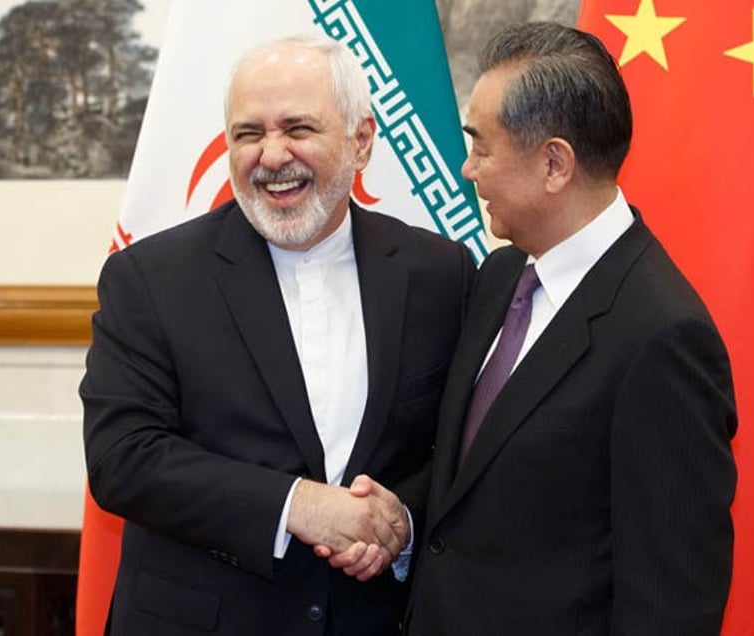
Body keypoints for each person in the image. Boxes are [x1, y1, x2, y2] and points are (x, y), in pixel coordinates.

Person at [81, 34, 474, 635]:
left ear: (361, 142)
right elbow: (122, 458)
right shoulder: (150, 278)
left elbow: (458, 447)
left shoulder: (441, 273)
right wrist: (299, 505)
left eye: (298, 128)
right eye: (248, 134)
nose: (271, 155)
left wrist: (401, 521)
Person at [406, 22, 737, 635]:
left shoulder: (663, 338)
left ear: (554, 163)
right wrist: (402, 515)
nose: (465, 168)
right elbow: (486, 480)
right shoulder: (502, 274)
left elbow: (671, 606)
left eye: (481, 146)